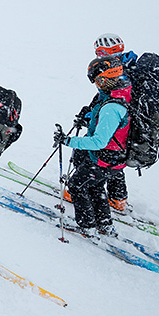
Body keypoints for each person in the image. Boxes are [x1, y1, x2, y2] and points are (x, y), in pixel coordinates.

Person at [55, 56, 130, 237]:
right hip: (113, 159)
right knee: (95, 186)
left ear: (106, 79)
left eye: (99, 80)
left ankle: (87, 225)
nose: (97, 85)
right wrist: (89, 115)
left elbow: (99, 141)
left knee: (77, 186)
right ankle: (104, 224)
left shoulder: (111, 108)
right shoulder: (120, 94)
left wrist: (68, 141)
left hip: (104, 158)